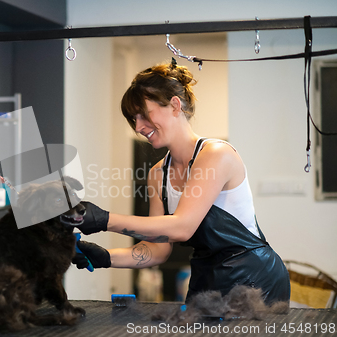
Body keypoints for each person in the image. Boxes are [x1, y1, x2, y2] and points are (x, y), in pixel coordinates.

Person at [73, 59, 290, 304]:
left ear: (175, 105)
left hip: (255, 282)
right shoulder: (157, 174)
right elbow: (157, 249)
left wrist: (104, 220)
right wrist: (104, 257)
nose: (138, 127)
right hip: (206, 279)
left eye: (144, 115)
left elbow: (182, 226)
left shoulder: (217, 155)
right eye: (133, 119)